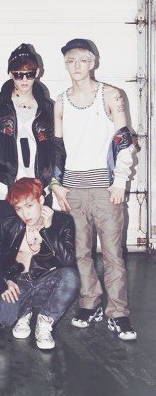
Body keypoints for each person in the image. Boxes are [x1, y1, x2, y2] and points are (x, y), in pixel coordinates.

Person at [52, 38, 137, 340]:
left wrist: (120, 180)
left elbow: (123, 139)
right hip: (73, 189)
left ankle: (118, 313)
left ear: (92, 62)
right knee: (80, 252)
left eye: (82, 60)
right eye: (70, 61)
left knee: (113, 254)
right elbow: (58, 146)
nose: (76, 66)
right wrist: (56, 183)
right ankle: (90, 304)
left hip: (105, 188)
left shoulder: (111, 95)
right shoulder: (61, 101)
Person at [0, 178, 80, 350]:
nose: (25, 214)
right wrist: (5, 281)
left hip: (46, 282)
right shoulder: (8, 225)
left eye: (29, 205)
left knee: (71, 277)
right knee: (3, 318)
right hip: (19, 282)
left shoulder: (62, 221)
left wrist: (48, 230)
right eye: (18, 208)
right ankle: (24, 313)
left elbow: (68, 261)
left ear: (41, 200)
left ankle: (45, 320)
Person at [0, 44, 54, 230]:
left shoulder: (47, 107)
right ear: (10, 74)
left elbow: (56, 144)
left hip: (39, 181)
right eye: (19, 74)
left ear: (37, 73)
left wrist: (50, 174)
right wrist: (1, 156)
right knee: (5, 231)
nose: (24, 79)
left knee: (39, 232)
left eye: (29, 73)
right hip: (7, 180)